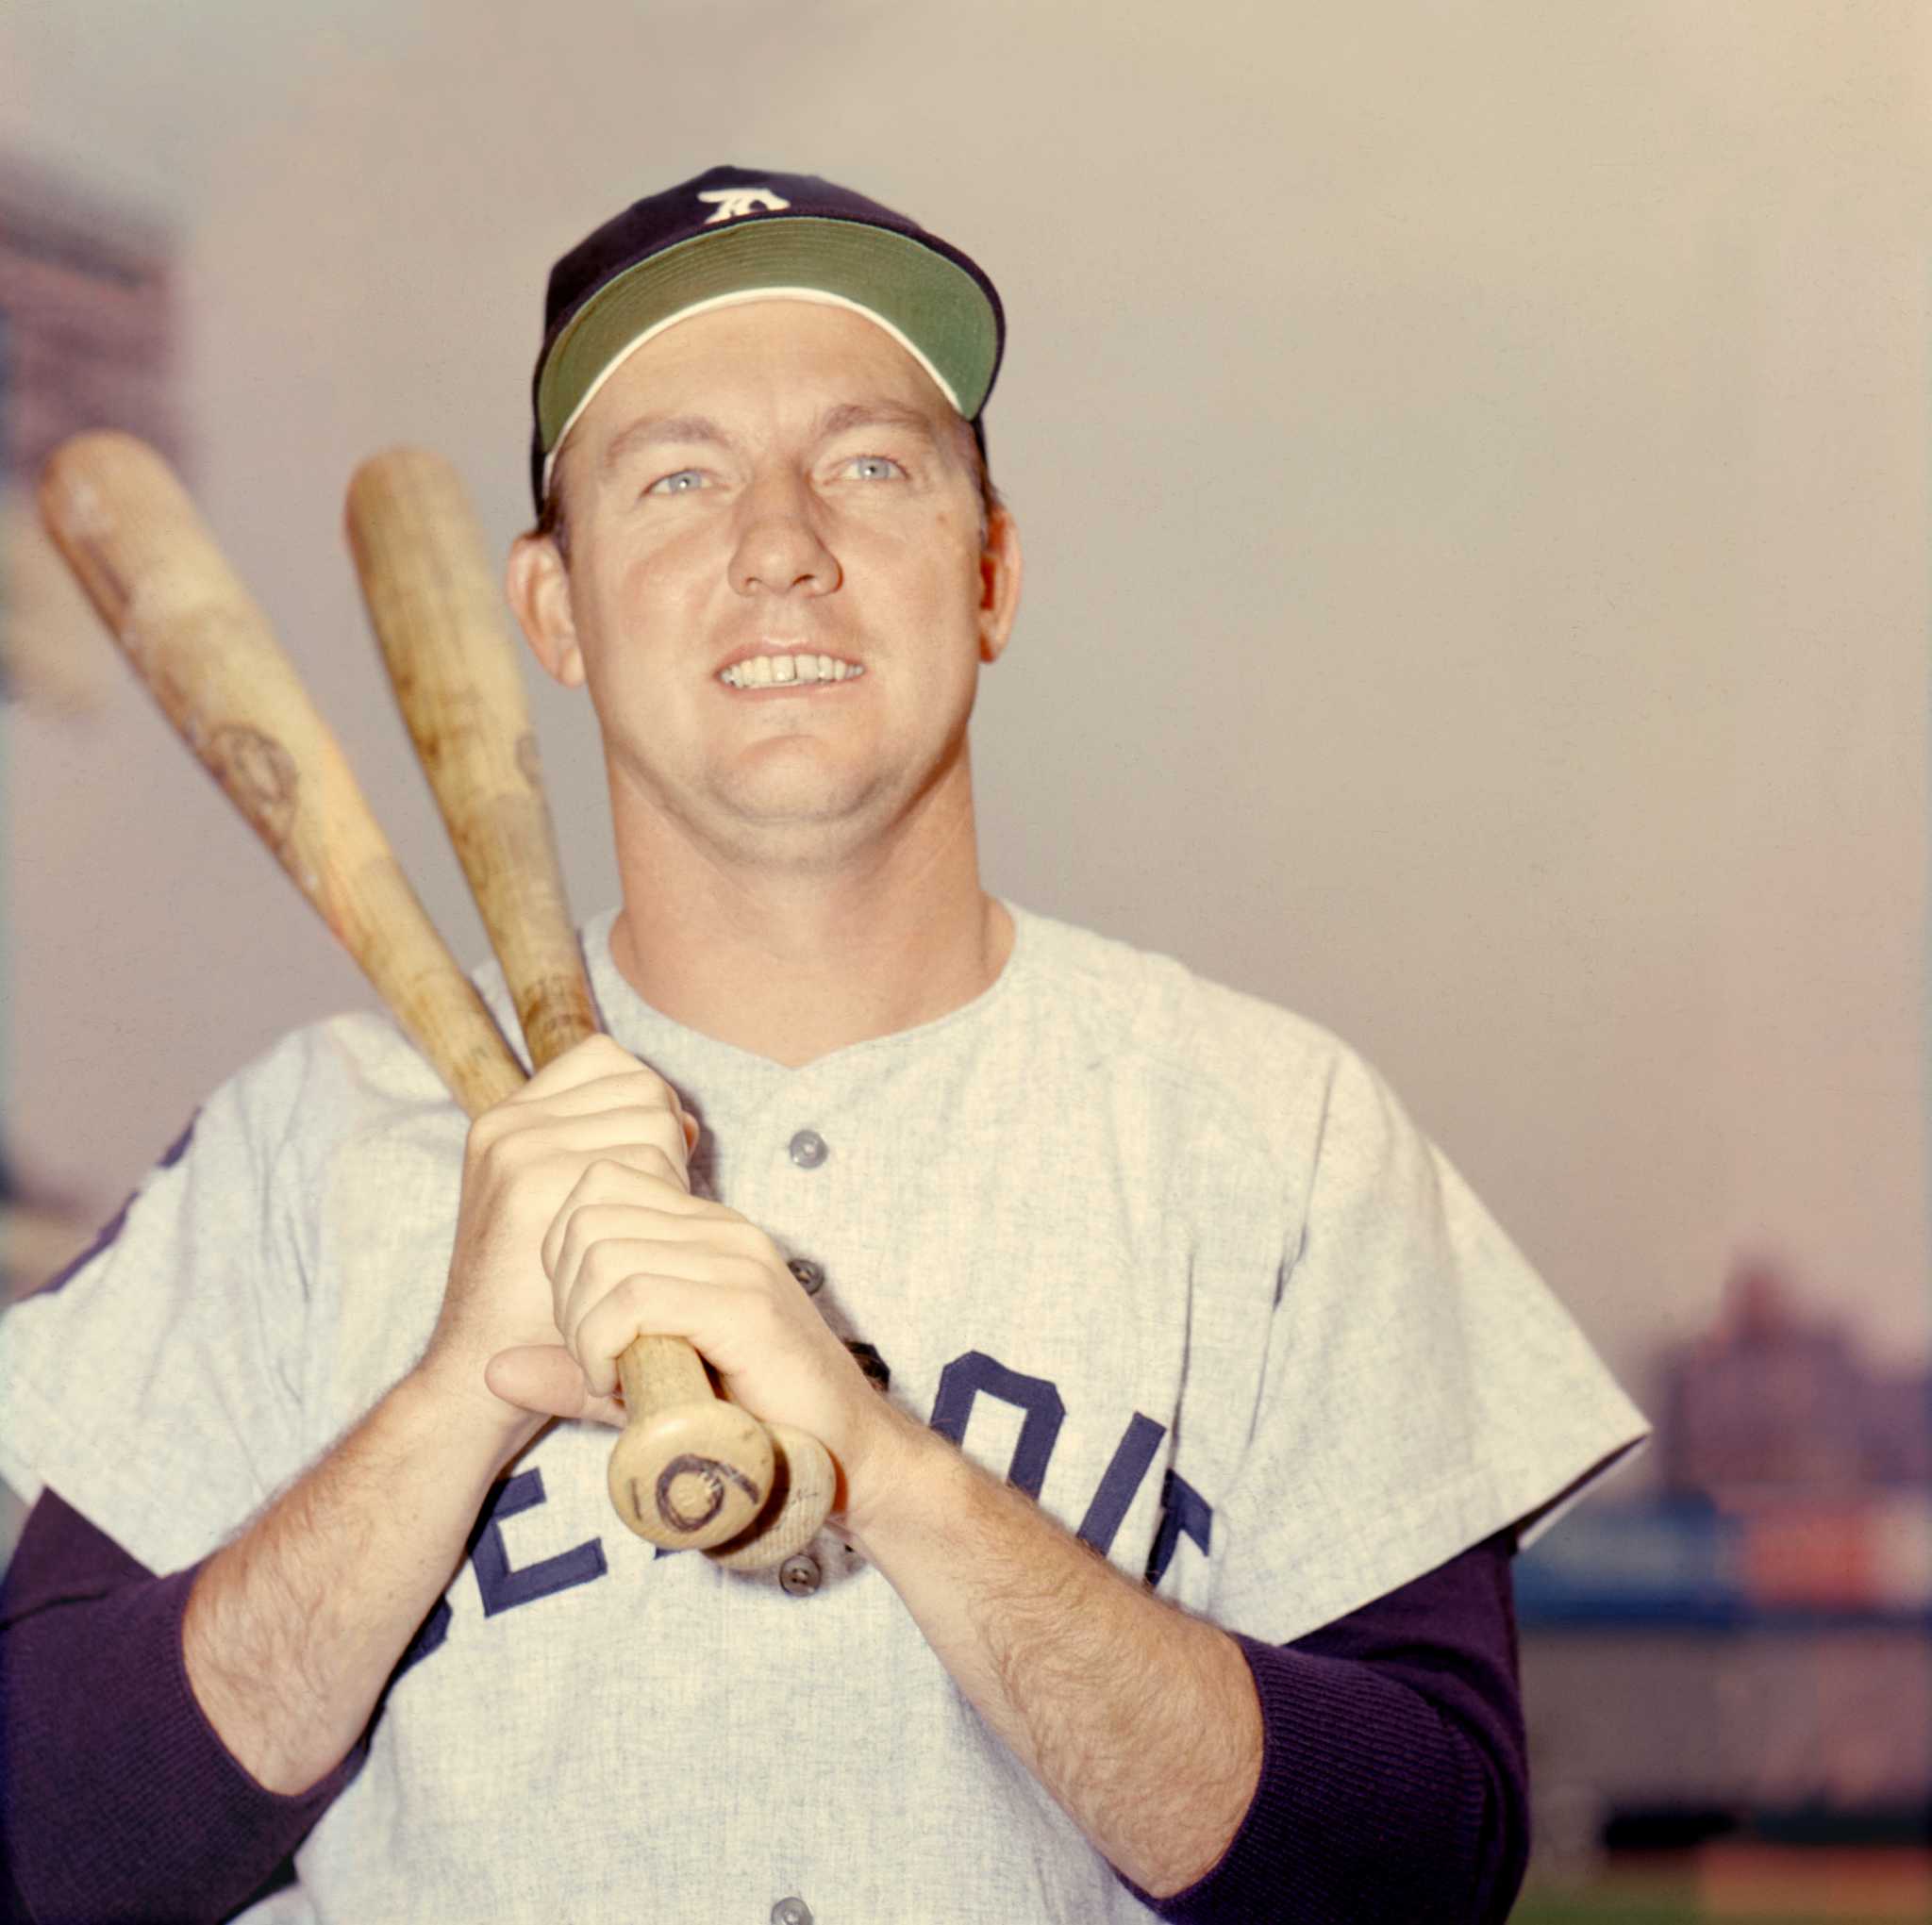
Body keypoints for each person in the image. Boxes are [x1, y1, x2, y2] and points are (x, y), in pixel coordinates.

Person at [0, 166, 1647, 1923]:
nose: (781, 542)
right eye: (679, 477)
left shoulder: (1273, 1132)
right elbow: (47, 1848)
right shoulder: (302, 1147)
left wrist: (893, 1474)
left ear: (994, 570)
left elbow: (1419, 1870)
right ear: (548, 615)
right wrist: (454, 1400)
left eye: (871, 464)